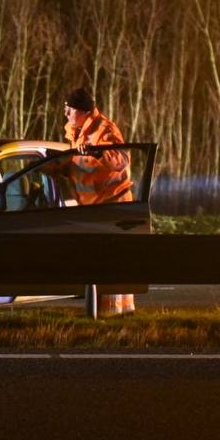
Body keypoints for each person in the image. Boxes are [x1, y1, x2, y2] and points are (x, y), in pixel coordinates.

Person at [62, 87, 135, 314]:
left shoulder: (104, 129)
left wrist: (96, 152)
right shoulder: (76, 131)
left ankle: (114, 313)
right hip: (92, 207)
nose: (65, 114)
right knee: (98, 262)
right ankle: (103, 311)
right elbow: (76, 164)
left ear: (83, 111)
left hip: (111, 205)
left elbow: (121, 158)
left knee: (110, 263)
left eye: (69, 110)